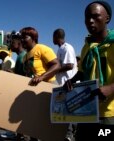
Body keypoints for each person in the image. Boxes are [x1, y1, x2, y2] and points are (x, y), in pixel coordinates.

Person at [65, 1, 114, 140]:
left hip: (109, 114)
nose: (90, 21)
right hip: (88, 111)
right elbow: (82, 72)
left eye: (95, 16)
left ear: (107, 18)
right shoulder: (87, 47)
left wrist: (111, 87)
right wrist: (71, 81)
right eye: (87, 17)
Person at [20, 26, 60, 141]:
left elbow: (56, 65)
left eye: (25, 37)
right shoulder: (25, 56)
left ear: (33, 38)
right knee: (34, 124)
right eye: (21, 38)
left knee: (46, 124)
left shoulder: (42, 48)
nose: (22, 40)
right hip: (34, 91)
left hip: (48, 89)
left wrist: (42, 77)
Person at [53, 28, 78, 141]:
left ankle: (70, 135)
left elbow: (70, 65)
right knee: (65, 110)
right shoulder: (60, 50)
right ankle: (67, 133)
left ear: (57, 36)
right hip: (63, 84)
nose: (52, 39)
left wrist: (55, 70)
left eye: (53, 36)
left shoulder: (67, 48)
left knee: (70, 110)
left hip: (70, 84)